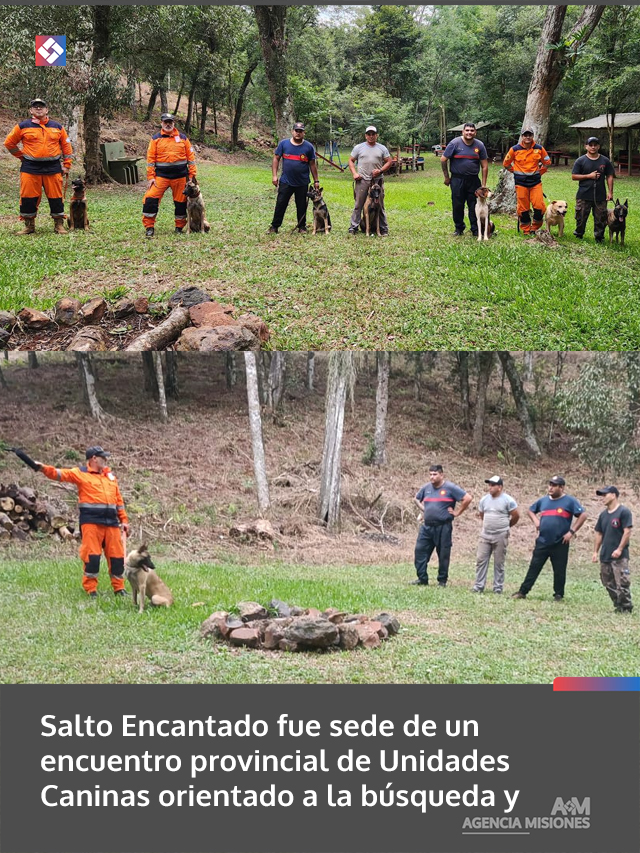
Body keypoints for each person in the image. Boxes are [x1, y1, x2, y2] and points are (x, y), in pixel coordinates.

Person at [12, 445, 130, 598]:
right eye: (103, 457)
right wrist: (42, 468)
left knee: (117, 558)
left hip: (112, 524)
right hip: (91, 523)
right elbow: (58, 473)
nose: (106, 460)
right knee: (92, 557)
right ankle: (91, 590)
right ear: (94, 458)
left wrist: (124, 520)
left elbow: (118, 501)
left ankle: (119, 588)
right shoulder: (80, 473)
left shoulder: (110, 477)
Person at [3, 97, 73, 235]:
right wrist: (21, 156)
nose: (39, 108)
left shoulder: (57, 127)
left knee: (56, 197)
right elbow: (9, 143)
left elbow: (66, 146)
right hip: (30, 168)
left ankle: (59, 225)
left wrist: (67, 165)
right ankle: (29, 226)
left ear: (47, 110)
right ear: (31, 110)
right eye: (35, 107)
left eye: (41, 106)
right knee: (28, 197)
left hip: (53, 168)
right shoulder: (22, 126)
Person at [513, 476, 586, 602]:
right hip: (543, 541)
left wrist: (571, 532)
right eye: (550, 484)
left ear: (561, 487)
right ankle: (523, 591)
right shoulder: (543, 501)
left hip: (560, 542)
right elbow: (530, 510)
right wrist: (536, 521)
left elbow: (583, 515)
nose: (550, 487)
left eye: (554, 485)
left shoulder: (569, 501)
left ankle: (558, 594)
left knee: (559, 569)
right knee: (534, 567)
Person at [412, 464, 472, 587]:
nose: (432, 477)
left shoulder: (450, 488)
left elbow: (467, 498)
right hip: (427, 527)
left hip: (443, 527)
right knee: (420, 551)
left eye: (435, 474)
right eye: (430, 474)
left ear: (441, 475)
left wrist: (457, 512)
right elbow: (416, 499)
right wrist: (425, 510)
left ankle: (442, 580)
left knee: (443, 554)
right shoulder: (426, 488)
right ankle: (422, 578)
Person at [142, 113, 197, 237]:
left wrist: (192, 176)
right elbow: (150, 159)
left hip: (181, 177)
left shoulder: (183, 138)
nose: (168, 124)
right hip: (161, 176)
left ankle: (179, 226)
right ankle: (149, 227)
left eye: (170, 122)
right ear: (161, 123)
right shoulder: (155, 139)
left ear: (174, 123)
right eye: (165, 122)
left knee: (181, 202)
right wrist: (150, 177)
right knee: (150, 198)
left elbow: (191, 158)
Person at [268, 121, 319, 234]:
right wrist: (274, 176)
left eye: (300, 131)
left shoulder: (309, 147)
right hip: (286, 181)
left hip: (302, 182)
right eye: (296, 131)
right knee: (281, 204)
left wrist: (316, 181)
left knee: (301, 205)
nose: (298, 133)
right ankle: (274, 226)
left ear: (304, 133)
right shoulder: (283, 144)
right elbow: (276, 158)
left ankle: (302, 227)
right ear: (292, 131)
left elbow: (312, 164)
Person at [472, 476, 519, 594]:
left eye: (493, 485)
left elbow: (516, 515)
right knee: (481, 560)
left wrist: (505, 527)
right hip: (485, 534)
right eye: (489, 485)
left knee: (499, 562)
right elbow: (482, 514)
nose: (490, 487)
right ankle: (478, 586)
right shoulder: (484, 500)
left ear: (500, 487)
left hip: (501, 535)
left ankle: (498, 588)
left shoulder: (508, 500)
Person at [441, 122, 489, 237]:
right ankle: (459, 228)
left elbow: (485, 166)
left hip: (473, 180)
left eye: (472, 131)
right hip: (457, 179)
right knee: (458, 204)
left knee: (474, 205)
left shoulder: (479, 145)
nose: (469, 133)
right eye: (467, 130)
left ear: (475, 133)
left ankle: (476, 229)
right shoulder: (454, 143)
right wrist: (447, 177)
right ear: (463, 132)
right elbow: (443, 160)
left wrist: (483, 184)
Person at [502, 128, 551, 235]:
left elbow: (547, 162)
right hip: (521, 184)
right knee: (523, 208)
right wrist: (515, 172)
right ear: (522, 136)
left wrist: (540, 172)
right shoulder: (514, 149)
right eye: (525, 135)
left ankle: (535, 227)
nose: (527, 137)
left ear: (533, 136)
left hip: (535, 183)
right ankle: (526, 230)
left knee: (539, 206)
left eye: (530, 135)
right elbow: (506, 164)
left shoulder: (539, 149)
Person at [593, 486, 633, 613]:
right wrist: (595, 551)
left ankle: (626, 607)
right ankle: (618, 605)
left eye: (605, 495)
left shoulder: (623, 512)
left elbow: (627, 532)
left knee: (622, 582)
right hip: (605, 554)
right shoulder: (603, 515)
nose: (602, 498)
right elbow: (599, 533)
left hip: (619, 556)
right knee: (608, 582)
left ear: (614, 495)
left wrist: (620, 549)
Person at [348, 126, 394, 236]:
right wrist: (354, 173)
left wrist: (380, 170)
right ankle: (353, 227)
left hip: (377, 181)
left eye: (373, 134)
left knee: (380, 205)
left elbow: (389, 161)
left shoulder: (382, 148)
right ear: (365, 135)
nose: (371, 136)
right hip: (362, 180)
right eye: (369, 134)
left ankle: (383, 228)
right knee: (358, 204)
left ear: (376, 135)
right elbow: (351, 160)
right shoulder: (359, 147)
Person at [572, 137, 615, 243]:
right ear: (586, 146)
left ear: (598, 146)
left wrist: (610, 192)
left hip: (600, 195)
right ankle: (579, 234)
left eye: (595, 145)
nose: (593, 147)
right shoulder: (580, 160)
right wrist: (589, 176)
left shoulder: (605, 161)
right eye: (590, 145)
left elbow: (609, 176)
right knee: (581, 217)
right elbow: (574, 176)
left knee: (601, 217)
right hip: (583, 194)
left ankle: (599, 237)